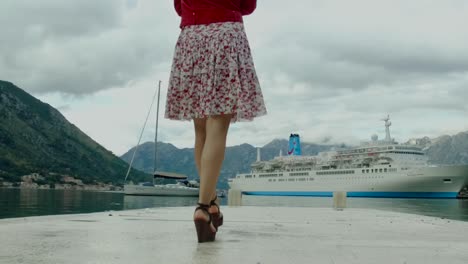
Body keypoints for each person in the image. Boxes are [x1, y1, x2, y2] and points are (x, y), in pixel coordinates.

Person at [165, 0, 266, 243]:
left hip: (192, 38)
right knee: (218, 126)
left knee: (200, 131)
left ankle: (211, 205)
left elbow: (179, 6)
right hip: (225, 35)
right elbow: (248, 5)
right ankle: (203, 206)